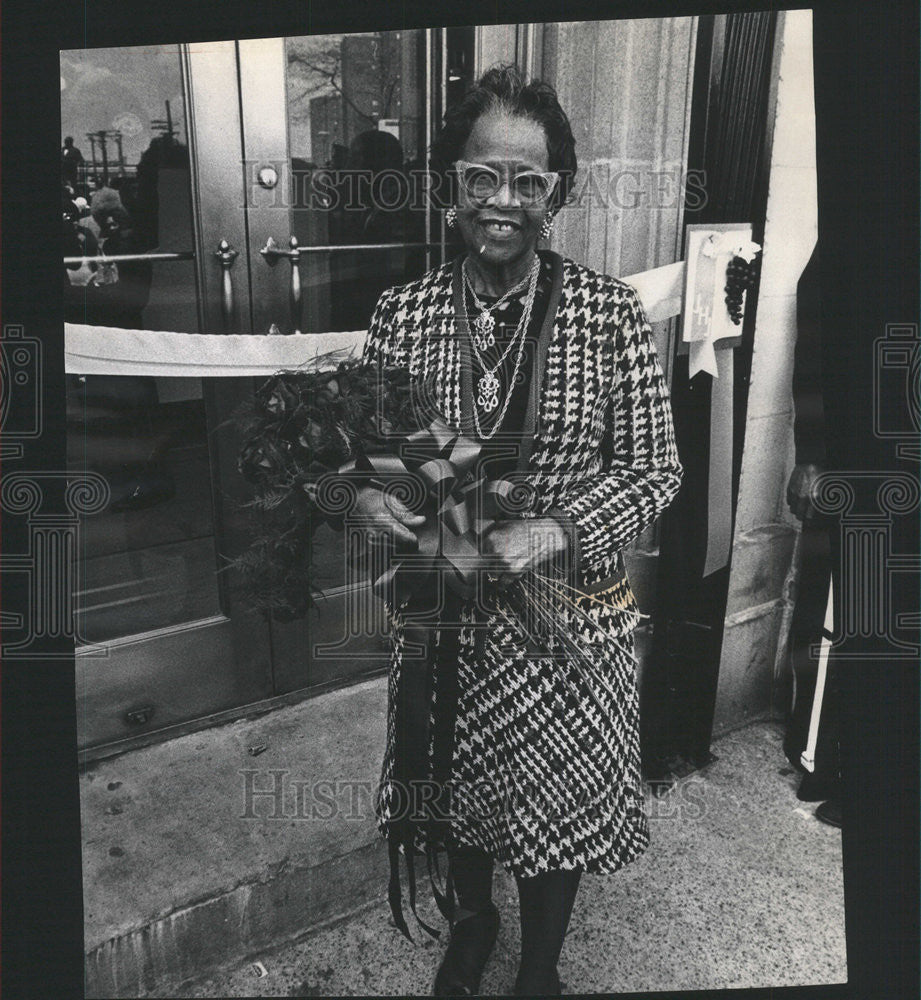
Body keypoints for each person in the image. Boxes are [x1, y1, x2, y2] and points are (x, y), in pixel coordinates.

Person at [355, 65, 683, 996]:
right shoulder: (402, 315)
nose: (502, 202)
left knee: (553, 805)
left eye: (527, 183)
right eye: (480, 177)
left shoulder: (608, 315)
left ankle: (539, 967)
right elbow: (379, 455)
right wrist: (370, 498)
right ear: (450, 186)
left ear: (557, 194)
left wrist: (557, 526)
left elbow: (655, 470)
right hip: (446, 617)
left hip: (568, 626)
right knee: (456, 788)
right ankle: (472, 925)